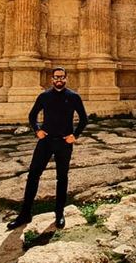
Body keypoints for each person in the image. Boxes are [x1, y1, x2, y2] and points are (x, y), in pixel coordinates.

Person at [7, 66, 87, 230]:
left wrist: (75, 135)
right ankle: (25, 214)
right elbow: (32, 115)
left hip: (64, 143)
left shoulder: (73, 97)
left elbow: (84, 118)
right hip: (46, 141)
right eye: (56, 77)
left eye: (62, 77)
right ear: (52, 79)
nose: (59, 80)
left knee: (62, 177)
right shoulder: (44, 96)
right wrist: (37, 130)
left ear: (66, 78)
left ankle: (59, 213)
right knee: (33, 175)